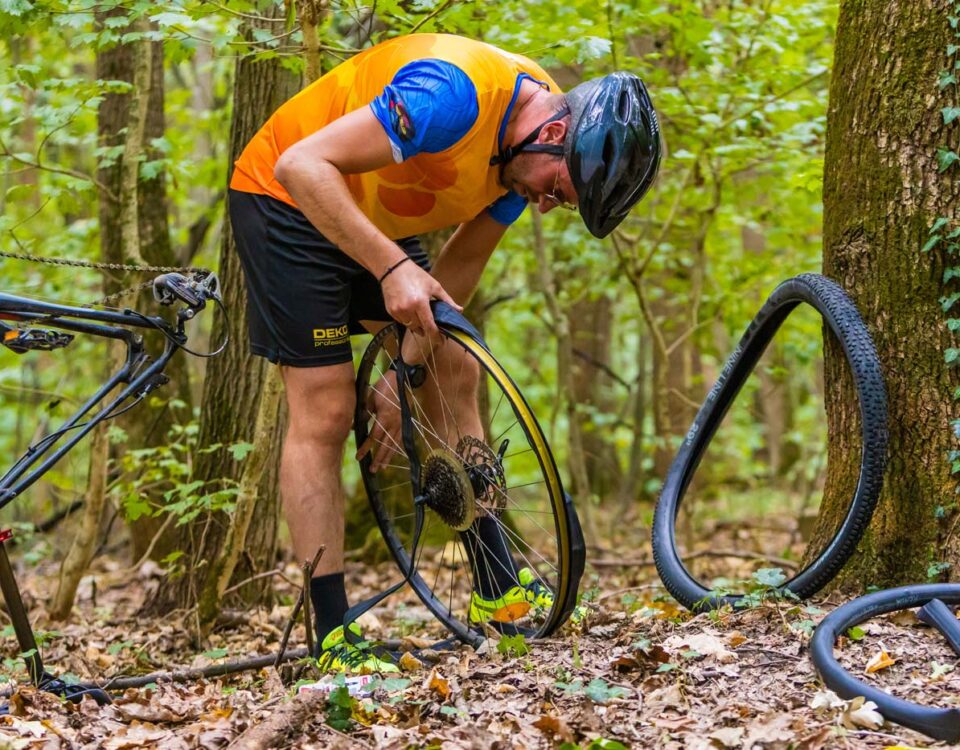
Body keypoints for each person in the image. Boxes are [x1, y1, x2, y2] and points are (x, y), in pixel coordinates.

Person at [228, 32, 661, 673]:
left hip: (370, 216)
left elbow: (464, 261)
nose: (544, 206)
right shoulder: (450, 95)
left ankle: (495, 586)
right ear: (553, 134)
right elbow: (301, 165)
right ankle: (331, 632)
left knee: (453, 363)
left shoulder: (527, 144)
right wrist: (392, 267)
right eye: (555, 190)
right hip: (288, 199)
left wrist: (406, 368)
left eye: (559, 204)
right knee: (323, 407)